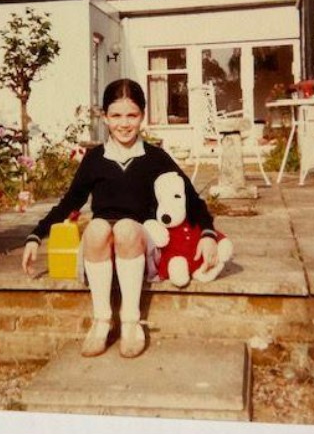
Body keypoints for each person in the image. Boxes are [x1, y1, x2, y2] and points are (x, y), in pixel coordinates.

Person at [22, 78, 220, 358]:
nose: (124, 124)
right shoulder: (94, 159)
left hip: (139, 243)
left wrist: (208, 235)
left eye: (132, 115)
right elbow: (70, 203)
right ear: (104, 117)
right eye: (115, 115)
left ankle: (130, 321)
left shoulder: (155, 158)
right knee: (97, 226)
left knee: (126, 228)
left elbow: (190, 199)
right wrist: (35, 236)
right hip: (99, 250)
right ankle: (102, 320)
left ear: (142, 116)